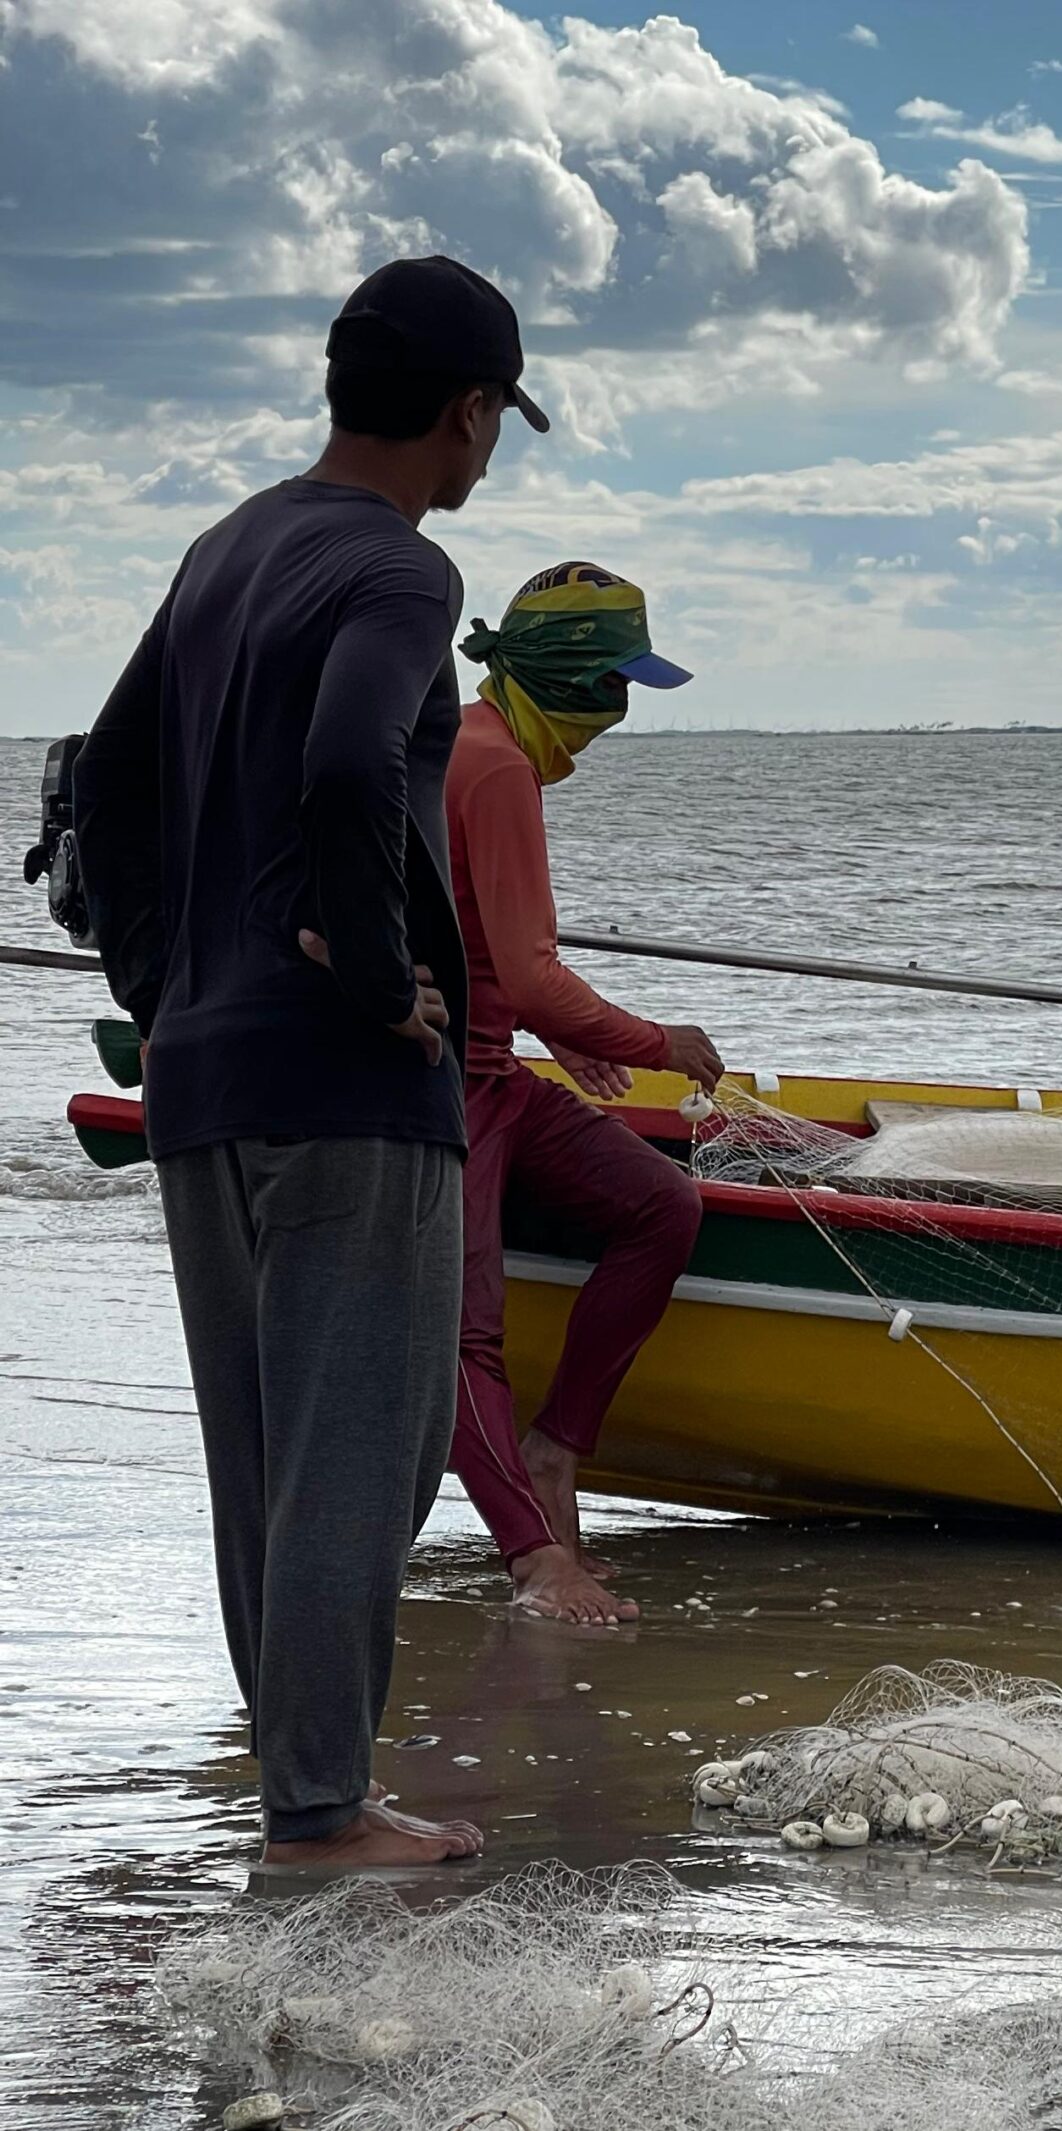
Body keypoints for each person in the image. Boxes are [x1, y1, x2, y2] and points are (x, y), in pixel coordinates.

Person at [73, 256, 551, 1866]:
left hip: (203, 1081)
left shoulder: (226, 548)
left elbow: (106, 778)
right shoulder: (406, 572)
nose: (489, 454)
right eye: (496, 423)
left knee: (265, 1454)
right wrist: (364, 968)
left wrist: (172, 979)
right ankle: (323, 1807)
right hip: (346, 1090)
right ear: (467, 413)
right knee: (373, 1437)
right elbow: (355, 754)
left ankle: (305, 1792)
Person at [445, 562, 724, 1625]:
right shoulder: (495, 767)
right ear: (573, 679)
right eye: (612, 687)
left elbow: (482, 950)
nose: (614, 716)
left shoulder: (478, 743)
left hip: (501, 1069)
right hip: (446, 1090)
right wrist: (661, 1043)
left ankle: (556, 1445)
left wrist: (560, 1028)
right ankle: (533, 1555)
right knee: (468, 1331)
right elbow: (525, 969)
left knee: (662, 1202)